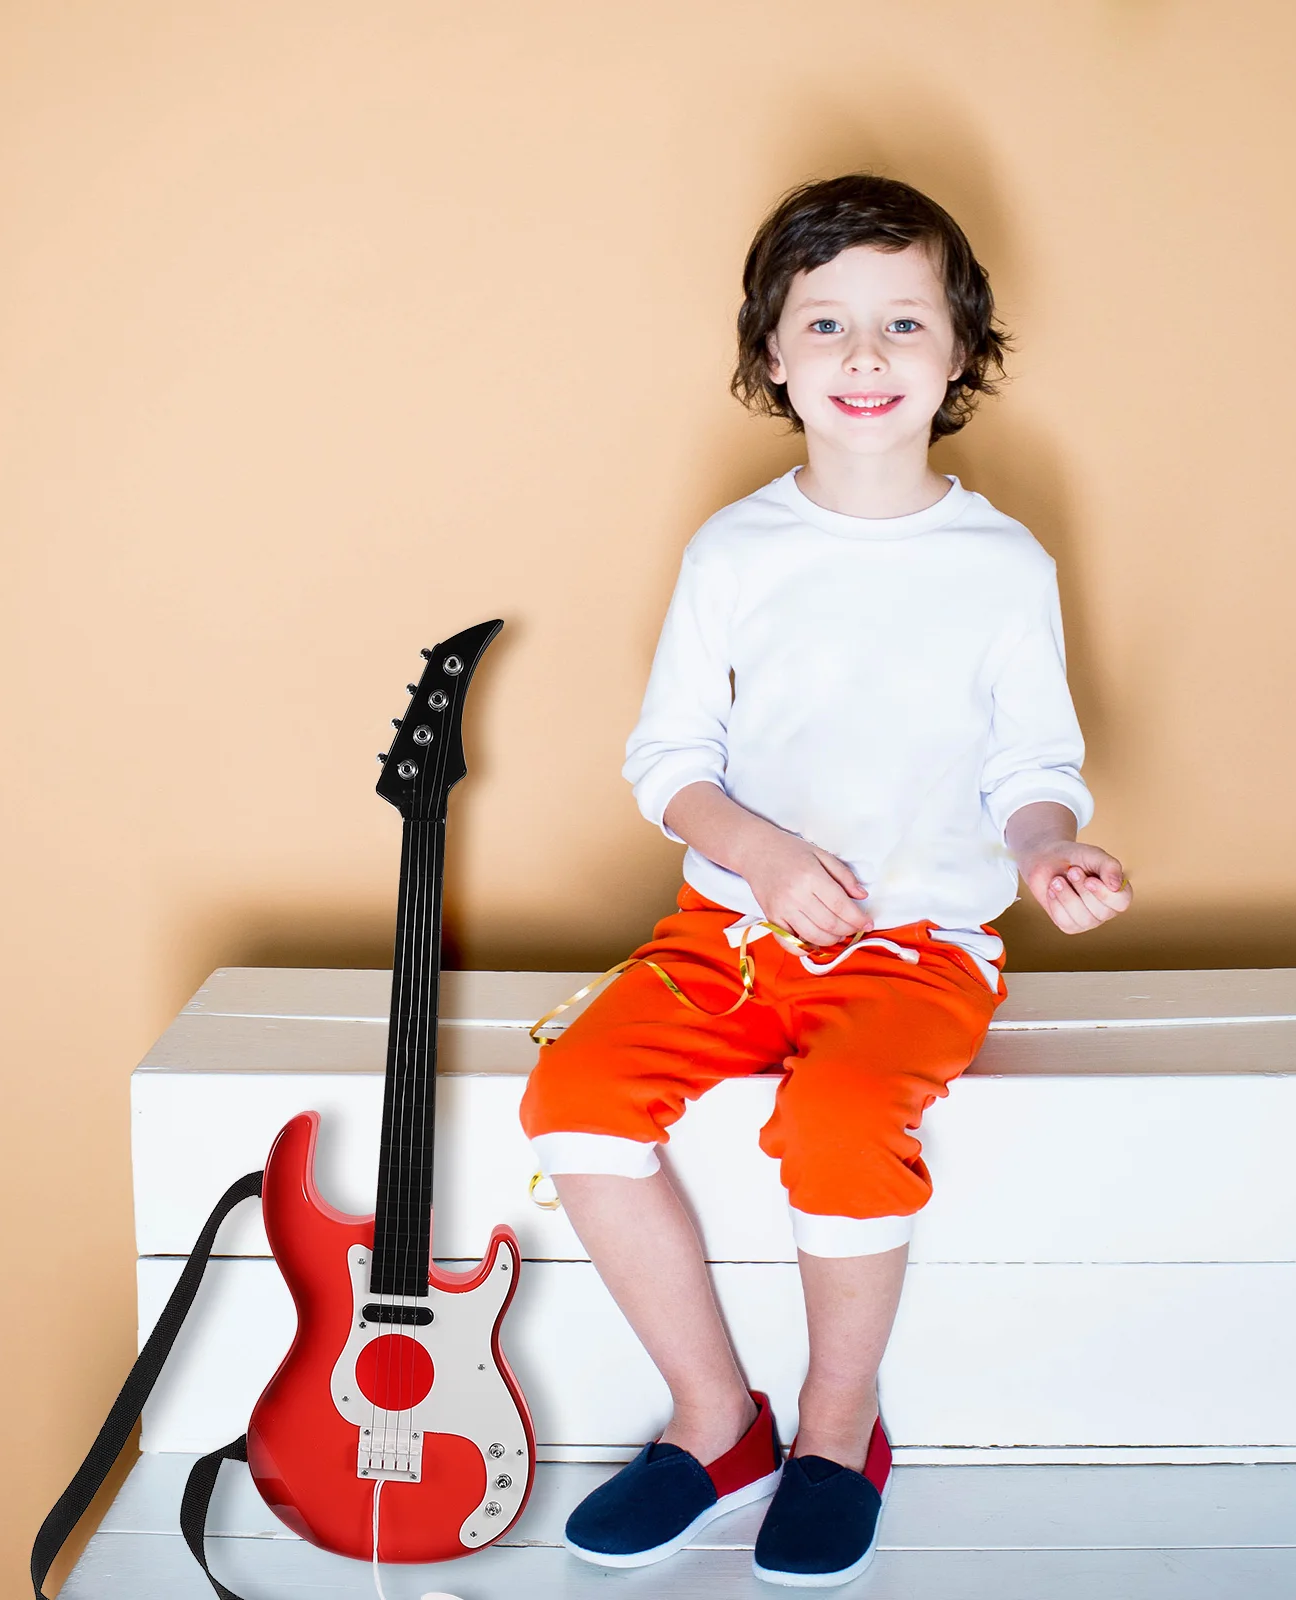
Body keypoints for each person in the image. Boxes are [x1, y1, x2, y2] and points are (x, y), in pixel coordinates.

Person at [518, 172, 1132, 1587]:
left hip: (919, 948)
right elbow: (670, 758)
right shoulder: (734, 551)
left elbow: (1030, 765)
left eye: (905, 321)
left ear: (961, 354)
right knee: (577, 1101)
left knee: (843, 1126)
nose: (867, 355)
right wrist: (766, 857)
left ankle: (836, 1431)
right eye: (831, 323)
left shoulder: (1002, 564)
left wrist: (1045, 852)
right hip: (728, 931)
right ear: (774, 355)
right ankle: (715, 1423)